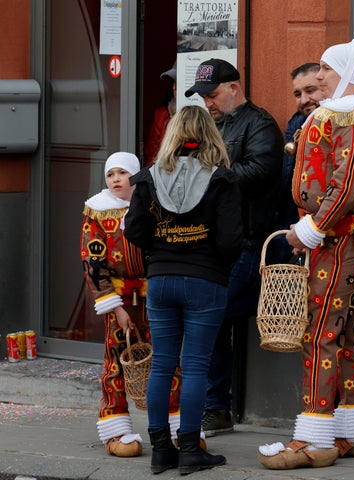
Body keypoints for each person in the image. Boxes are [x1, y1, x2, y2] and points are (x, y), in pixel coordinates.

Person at [257, 39, 354, 470]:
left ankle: (314, 437)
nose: (319, 76)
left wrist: (310, 228)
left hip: (342, 237)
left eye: (325, 69)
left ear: (344, 71)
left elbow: (345, 184)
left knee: (320, 327)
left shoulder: (351, 116)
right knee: (347, 327)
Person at [123, 105, 243, 475]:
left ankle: (161, 450)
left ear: (173, 133)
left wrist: (163, 244)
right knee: (195, 366)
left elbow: (133, 232)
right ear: (211, 134)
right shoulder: (222, 180)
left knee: (162, 363)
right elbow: (230, 240)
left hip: (160, 280)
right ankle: (190, 449)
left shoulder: (148, 179)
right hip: (205, 281)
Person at [185, 58, 284, 436]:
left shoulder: (259, 123)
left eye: (211, 95)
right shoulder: (215, 123)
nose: (207, 103)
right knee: (212, 313)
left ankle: (215, 406)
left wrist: (208, 174)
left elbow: (260, 172)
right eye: (202, 97)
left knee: (213, 312)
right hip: (217, 239)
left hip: (248, 240)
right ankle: (214, 406)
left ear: (233, 88)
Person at [80, 151, 147, 458]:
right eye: (111, 174)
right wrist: (116, 307)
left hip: (152, 296)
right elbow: (92, 261)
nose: (116, 179)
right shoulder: (97, 210)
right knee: (116, 362)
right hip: (119, 300)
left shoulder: (150, 206)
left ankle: (174, 428)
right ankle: (115, 428)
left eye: (123, 173)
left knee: (167, 361)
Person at [267, 61, 323, 265]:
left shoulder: (341, 124)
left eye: (310, 90)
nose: (304, 100)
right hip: (291, 229)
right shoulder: (296, 124)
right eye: (298, 94)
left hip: (324, 231)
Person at [144, 62, 177, 166]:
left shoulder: (206, 113)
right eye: (174, 82)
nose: (175, 87)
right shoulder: (162, 115)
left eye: (181, 82)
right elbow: (151, 156)